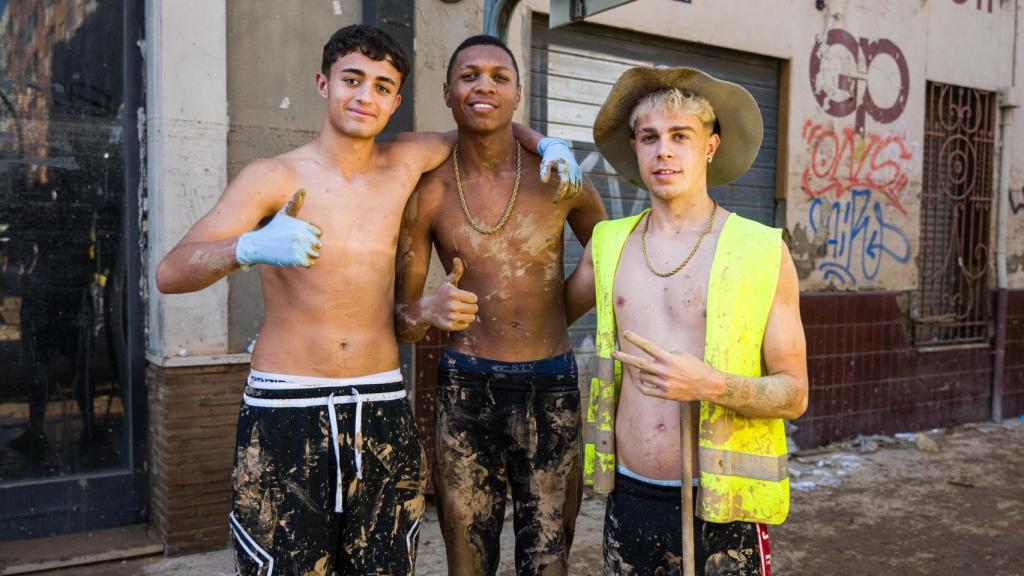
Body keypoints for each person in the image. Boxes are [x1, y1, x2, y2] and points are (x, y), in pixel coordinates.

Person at [155, 25, 580, 576]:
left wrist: (544, 142)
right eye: (352, 80)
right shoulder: (271, 177)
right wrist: (249, 246)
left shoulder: (405, 159)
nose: (365, 97)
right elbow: (171, 272)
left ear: (396, 100)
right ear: (322, 84)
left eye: (382, 86)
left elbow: (485, 115)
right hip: (291, 406)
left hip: (381, 405)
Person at [564, 66, 808, 576]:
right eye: (649, 137)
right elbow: (540, 319)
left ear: (711, 146)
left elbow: (794, 393)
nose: (664, 151)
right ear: (634, 148)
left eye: (681, 136)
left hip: (722, 504)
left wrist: (710, 384)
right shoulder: (608, 244)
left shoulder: (761, 251)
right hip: (629, 496)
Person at [395, 35, 607, 576]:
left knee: (549, 558)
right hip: (466, 387)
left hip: (551, 384)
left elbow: (611, 258)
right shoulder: (430, 189)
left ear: (516, 95)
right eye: (469, 76)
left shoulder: (558, 176)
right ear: (447, 92)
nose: (483, 85)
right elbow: (402, 321)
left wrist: (553, 314)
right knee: (467, 560)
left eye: (498, 76)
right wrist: (428, 312)